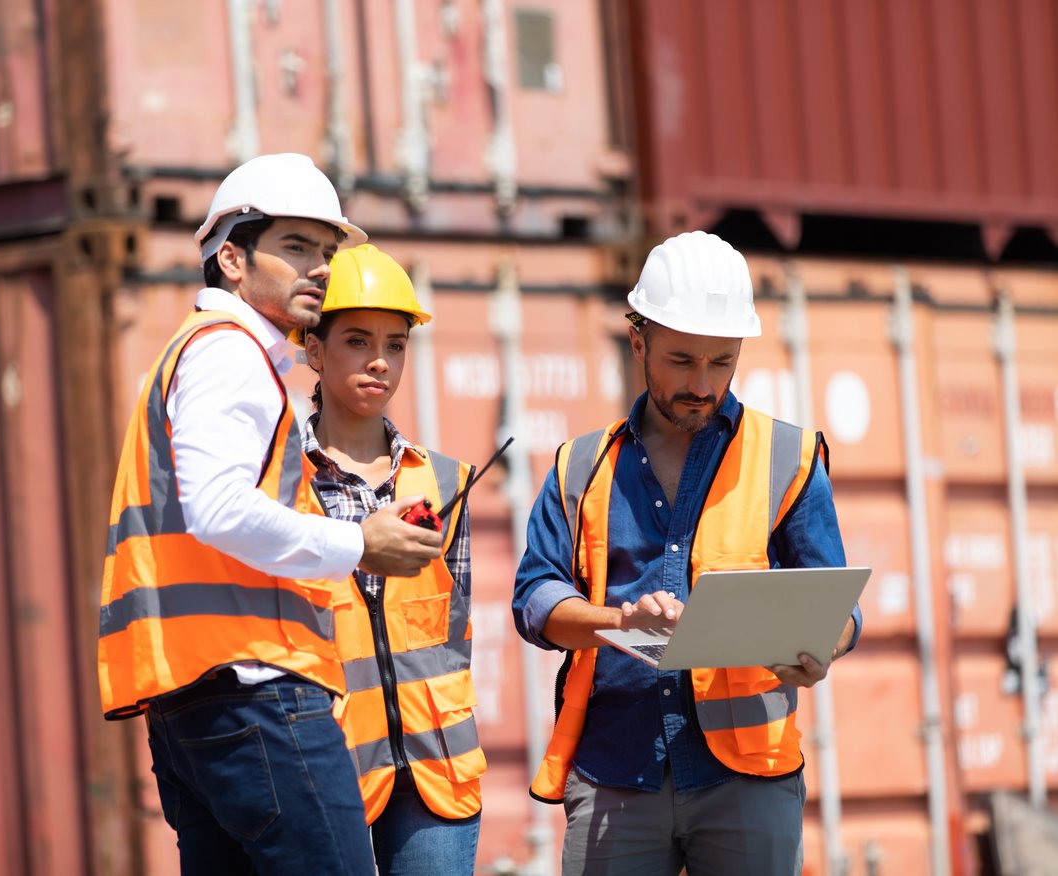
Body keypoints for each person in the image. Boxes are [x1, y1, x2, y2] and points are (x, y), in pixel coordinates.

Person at [98, 153, 445, 876]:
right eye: (294, 247)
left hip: (196, 700)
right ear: (231, 257)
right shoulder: (229, 355)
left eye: (325, 251)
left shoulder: (198, 354)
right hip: (257, 695)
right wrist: (360, 542)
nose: (319, 268)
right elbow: (219, 508)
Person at [512, 230, 863, 876]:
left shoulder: (788, 458)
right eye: (680, 360)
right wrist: (618, 620)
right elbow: (535, 602)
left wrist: (823, 651)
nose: (701, 384)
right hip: (615, 771)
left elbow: (838, 607)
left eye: (721, 362)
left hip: (748, 777)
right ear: (638, 339)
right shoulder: (579, 468)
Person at [294, 243, 485, 875]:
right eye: (356, 340)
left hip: (436, 770)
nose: (380, 360)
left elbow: (450, 636)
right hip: (329, 765)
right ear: (313, 350)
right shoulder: (281, 484)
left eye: (396, 344)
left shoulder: (444, 480)